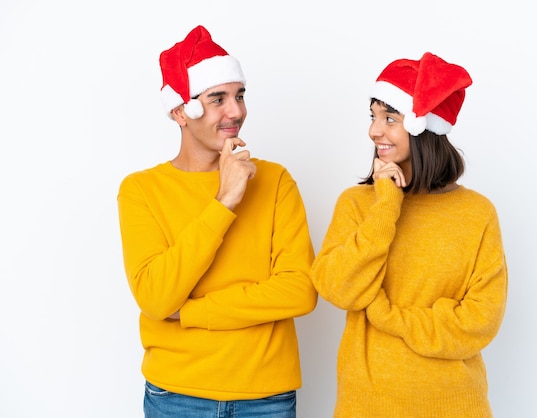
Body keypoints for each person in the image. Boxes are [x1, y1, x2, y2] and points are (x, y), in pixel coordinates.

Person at [117, 25, 318, 417]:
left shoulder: (275, 181)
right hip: (176, 396)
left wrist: (191, 312)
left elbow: (300, 291)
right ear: (180, 111)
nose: (236, 111)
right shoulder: (141, 190)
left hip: (267, 397)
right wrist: (224, 200)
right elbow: (156, 299)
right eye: (217, 99)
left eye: (240, 96)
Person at [310, 52, 508, 417]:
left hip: (455, 406)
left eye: (390, 118)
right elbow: (338, 289)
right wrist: (386, 206)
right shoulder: (358, 204)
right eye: (373, 116)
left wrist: (388, 316)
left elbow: (480, 322)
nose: (374, 130)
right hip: (366, 406)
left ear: (423, 127)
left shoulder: (477, 213)